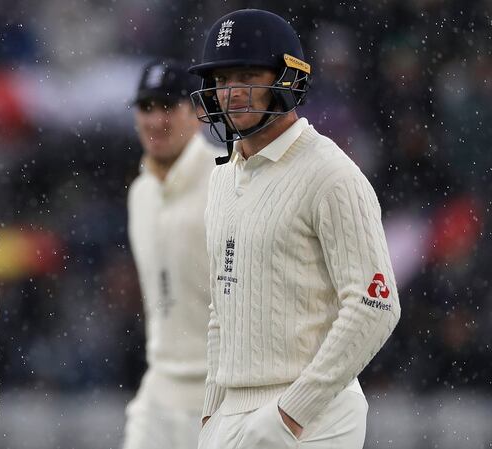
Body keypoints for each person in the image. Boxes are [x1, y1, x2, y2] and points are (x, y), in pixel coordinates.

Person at [187, 9, 401, 449]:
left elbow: (374, 305)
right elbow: (221, 306)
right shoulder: (223, 178)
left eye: (248, 75)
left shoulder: (331, 174)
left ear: (287, 79)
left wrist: (292, 412)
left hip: (311, 416)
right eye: (223, 80)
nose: (232, 93)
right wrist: (211, 410)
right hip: (230, 412)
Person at [123, 59, 223, 449]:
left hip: (221, 391)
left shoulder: (225, 181)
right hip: (160, 387)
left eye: (168, 106)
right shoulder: (141, 193)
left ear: (198, 112)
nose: (155, 120)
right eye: (146, 107)